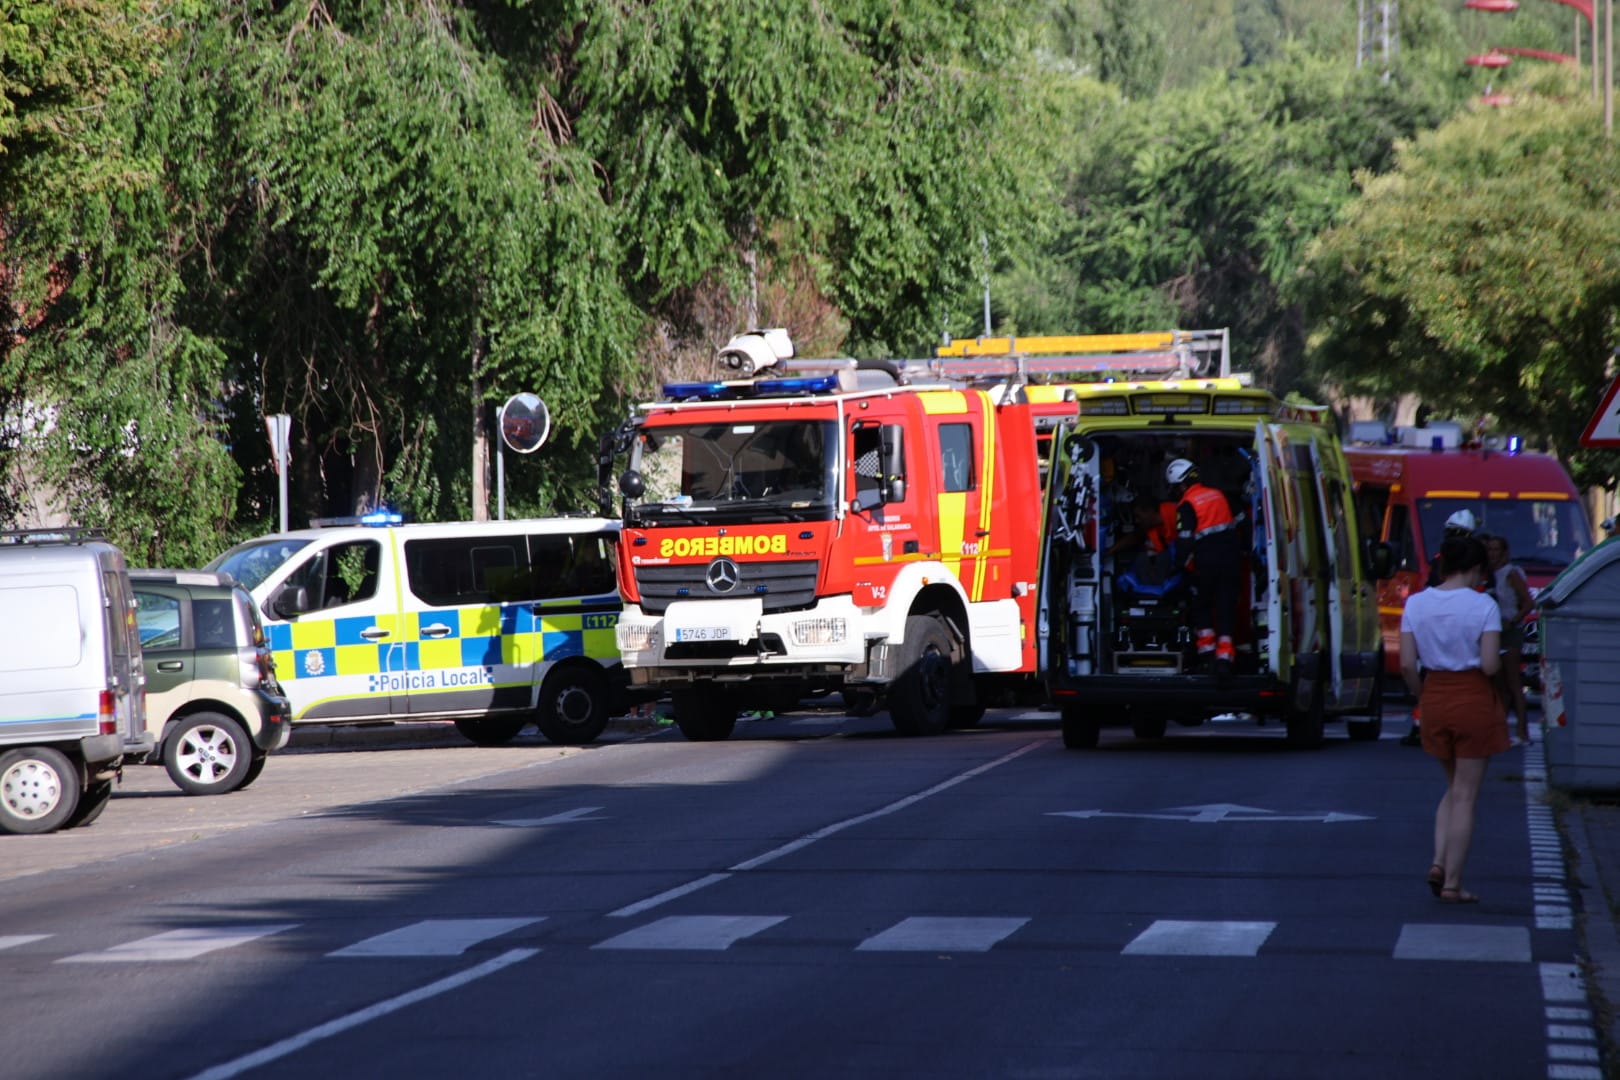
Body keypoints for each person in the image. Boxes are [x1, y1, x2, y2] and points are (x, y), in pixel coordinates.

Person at [1400, 534, 1506, 905]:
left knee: (1451, 786)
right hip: (1472, 697)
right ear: (1477, 569)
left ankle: (1438, 861)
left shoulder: (1415, 604)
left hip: (1435, 697)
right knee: (1465, 795)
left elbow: (1405, 664)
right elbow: (1491, 664)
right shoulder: (1485, 606)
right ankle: (1453, 883)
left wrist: (1422, 695)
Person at [1401, 507, 1483, 746]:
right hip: (1464, 624)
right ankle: (1428, 723)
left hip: (1451, 623)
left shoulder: (1444, 563)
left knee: (1431, 673)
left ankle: (1428, 722)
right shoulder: (1464, 564)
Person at [1165, 457, 1240, 673]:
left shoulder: (1187, 504)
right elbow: (1239, 519)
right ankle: (1225, 657)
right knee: (1225, 606)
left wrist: (1178, 566)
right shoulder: (1218, 494)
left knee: (1202, 605)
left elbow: (1185, 540)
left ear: (1181, 484)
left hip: (1206, 560)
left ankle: (1207, 657)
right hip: (1231, 558)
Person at [1484, 533, 1534, 744]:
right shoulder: (1486, 574)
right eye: (1490, 549)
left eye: (1497, 550)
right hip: (1494, 631)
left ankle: (1523, 730)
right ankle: (1500, 729)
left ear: (1505, 553)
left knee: (1514, 682)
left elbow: (1528, 603)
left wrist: (1513, 621)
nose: (1493, 554)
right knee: (1498, 683)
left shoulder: (1510, 573)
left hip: (1510, 630)